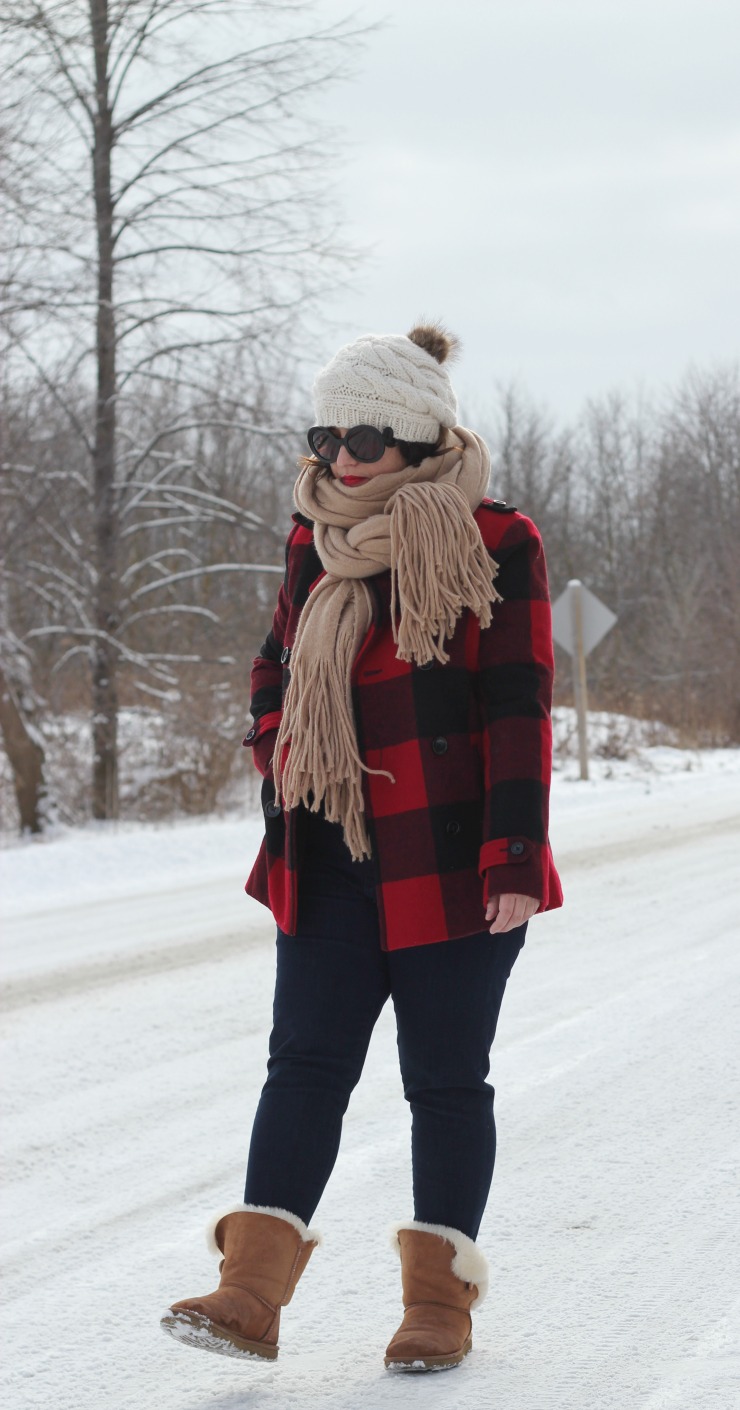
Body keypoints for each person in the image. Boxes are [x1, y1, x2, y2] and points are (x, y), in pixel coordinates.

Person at [161, 323, 563, 1371]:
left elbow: (518, 703)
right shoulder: (314, 538)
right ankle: (249, 1296)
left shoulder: (495, 538)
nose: (343, 454)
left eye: (368, 436)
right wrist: (278, 744)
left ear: (421, 436)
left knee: (441, 1079)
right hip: (330, 853)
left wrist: (513, 856)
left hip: (451, 856)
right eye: (328, 431)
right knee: (302, 1065)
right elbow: (272, 667)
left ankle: (438, 1308)